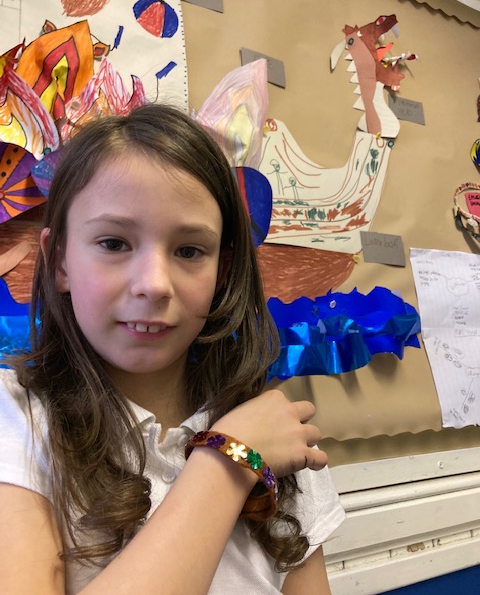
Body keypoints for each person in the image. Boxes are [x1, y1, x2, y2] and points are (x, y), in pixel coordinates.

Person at [0, 104, 345, 595]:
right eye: (114, 243)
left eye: (189, 251)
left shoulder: (278, 434)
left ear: (222, 273)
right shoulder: (17, 418)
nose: (155, 284)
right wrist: (229, 459)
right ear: (60, 261)